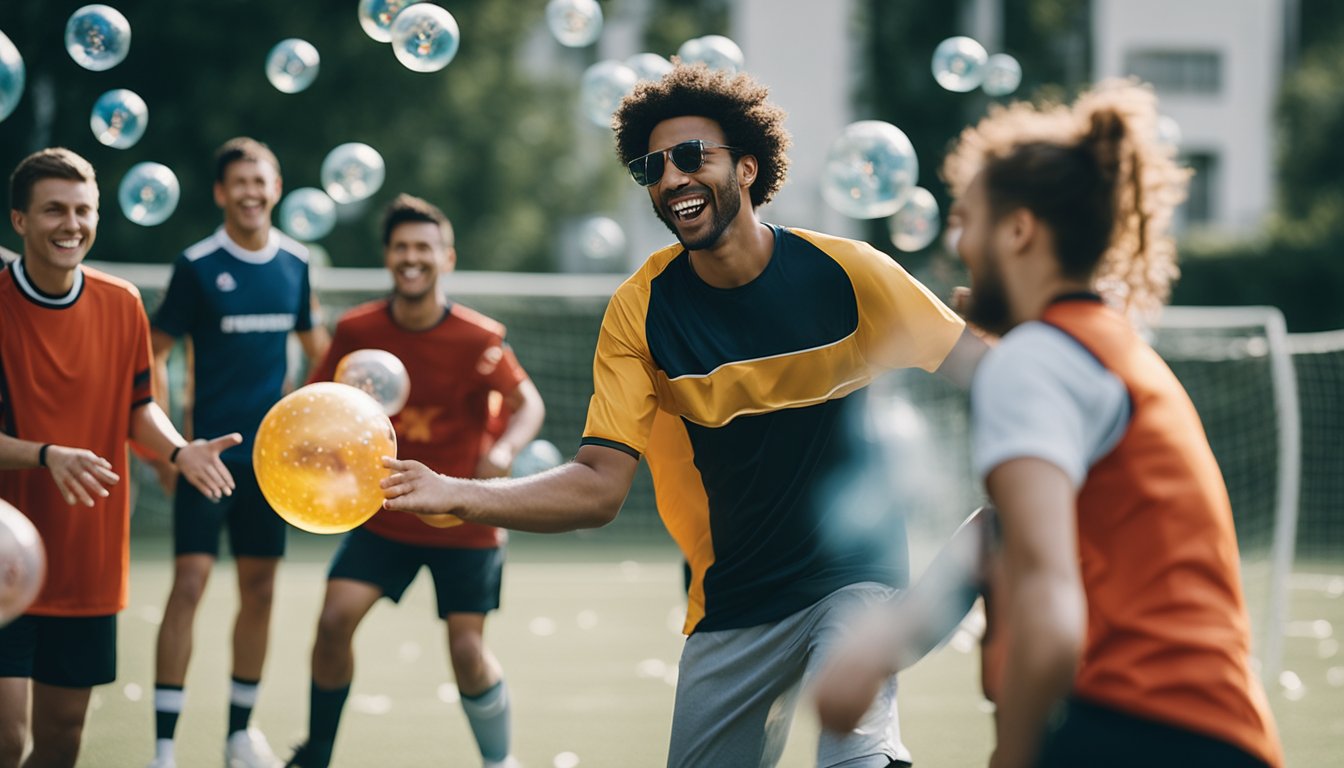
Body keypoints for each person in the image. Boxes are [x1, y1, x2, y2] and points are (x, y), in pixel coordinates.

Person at [381, 65, 987, 768]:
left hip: (853, 579)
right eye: (653, 166)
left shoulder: (849, 274)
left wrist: (1039, 324)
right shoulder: (640, 311)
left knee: (858, 755)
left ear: (749, 167)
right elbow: (599, 487)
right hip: (732, 597)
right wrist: (458, 492)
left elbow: (992, 375)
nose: (671, 179)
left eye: (692, 156)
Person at [821, 81, 1285, 767]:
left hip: (1143, 732)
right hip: (1209, 735)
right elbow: (1001, 537)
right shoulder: (1103, 348)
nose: (960, 243)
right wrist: (886, 643)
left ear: (1019, 230)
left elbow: (1048, 600)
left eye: (968, 219)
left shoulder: (1037, 360)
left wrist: (1013, 756)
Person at [0, 148, 240, 768]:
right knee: (5, 738)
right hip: (2, 559)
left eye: (83, 210)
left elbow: (138, 407)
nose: (71, 223)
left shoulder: (122, 302)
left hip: (89, 556)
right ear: (19, 220)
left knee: (61, 741)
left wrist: (180, 450)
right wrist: (46, 455)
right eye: (53, 209)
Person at [284, 194, 544, 768]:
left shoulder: (480, 338)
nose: (412, 257)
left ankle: (500, 763)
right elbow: (317, 406)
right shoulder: (356, 330)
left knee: (468, 653)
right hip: (385, 513)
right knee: (333, 622)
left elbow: (529, 403)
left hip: (463, 517)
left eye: (424, 247)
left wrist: (504, 449)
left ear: (445, 258)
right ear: (388, 257)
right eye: (401, 246)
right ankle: (316, 754)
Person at [147, 137, 330, 768]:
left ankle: (237, 737)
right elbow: (153, 352)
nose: (251, 192)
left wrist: (324, 424)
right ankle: (165, 748)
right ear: (221, 193)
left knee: (260, 590)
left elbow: (318, 351)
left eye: (262, 181)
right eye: (239, 183)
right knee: (190, 585)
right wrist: (170, 448)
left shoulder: (296, 262)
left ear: (275, 188)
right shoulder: (197, 264)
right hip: (208, 463)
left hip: (271, 467)